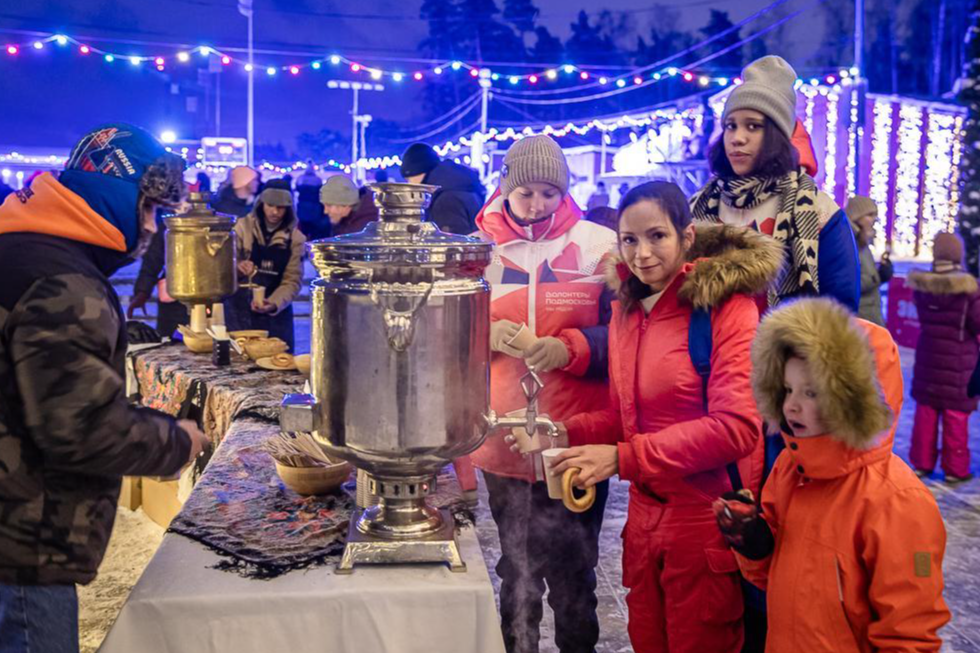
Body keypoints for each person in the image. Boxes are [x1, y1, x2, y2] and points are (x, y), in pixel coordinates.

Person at [538, 182, 781, 653]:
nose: (642, 254)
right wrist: (559, 430)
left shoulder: (726, 308)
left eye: (656, 236)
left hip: (705, 522)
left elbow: (737, 428)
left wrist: (623, 459)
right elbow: (626, 415)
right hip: (646, 523)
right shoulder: (629, 309)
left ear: (686, 237)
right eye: (629, 240)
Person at [0, 123, 209, 652]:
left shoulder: (21, 245)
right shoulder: (62, 280)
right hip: (20, 546)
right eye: (148, 209)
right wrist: (179, 440)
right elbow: (80, 429)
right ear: (115, 196)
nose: (149, 228)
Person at [715, 297, 950, 652]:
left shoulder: (897, 502)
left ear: (854, 400)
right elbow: (772, 578)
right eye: (788, 389)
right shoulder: (790, 470)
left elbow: (908, 633)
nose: (792, 405)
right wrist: (754, 543)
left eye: (812, 392)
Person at [469, 135, 617, 653]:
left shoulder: (598, 244)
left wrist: (570, 347)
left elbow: (623, 335)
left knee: (576, 574)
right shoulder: (477, 251)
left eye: (550, 194)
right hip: (504, 438)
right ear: (505, 187)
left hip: (575, 436)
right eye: (526, 192)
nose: (537, 206)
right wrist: (478, 336)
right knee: (517, 572)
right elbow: (444, 336)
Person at [690, 55, 859, 313]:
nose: (737, 138)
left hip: (785, 349)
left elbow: (841, 309)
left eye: (753, 126)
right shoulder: (698, 204)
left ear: (777, 136)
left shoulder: (819, 211)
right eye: (730, 126)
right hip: (707, 351)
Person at [908, 232, 980, 483]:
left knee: (925, 415)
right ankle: (955, 469)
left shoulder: (922, 286)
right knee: (956, 418)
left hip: (928, 361)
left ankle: (921, 463)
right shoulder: (969, 290)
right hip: (960, 367)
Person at [225, 187, 306, 351]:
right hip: (240, 309)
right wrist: (238, 266)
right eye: (270, 205)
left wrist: (274, 303)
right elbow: (225, 263)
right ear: (261, 204)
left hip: (276, 314)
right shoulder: (242, 228)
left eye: (281, 207)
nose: (275, 212)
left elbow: (292, 280)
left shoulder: (296, 239)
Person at [126, 212, 189, 339]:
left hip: (211, 299)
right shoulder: (167, 227)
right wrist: (142, 292)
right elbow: (152, 262)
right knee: (171, 341)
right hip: (174, 298)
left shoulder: (216, 222)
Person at [399, 142, 486, 234]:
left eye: (408, 178)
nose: (409, 183)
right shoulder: (459, 184)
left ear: (418, 172)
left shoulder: (445, 199)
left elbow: (449, 241)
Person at [846, 195, 892, 325]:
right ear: (857, 217)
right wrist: (877, 277)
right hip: (859, 318)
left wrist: (880, 270)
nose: (874, 219)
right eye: (869, 215)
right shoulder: (849, 242)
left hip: (869, 315)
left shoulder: (863, 242)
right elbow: (847, 284)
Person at [295, 161, 323, 238]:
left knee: (303, 229)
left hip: (303, 206)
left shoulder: (300, 178)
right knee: (314, 230)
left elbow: (297, 188)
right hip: (314, 207)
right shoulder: (318, 180)